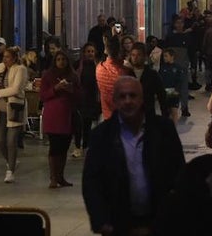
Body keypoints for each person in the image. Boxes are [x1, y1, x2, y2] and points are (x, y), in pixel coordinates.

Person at [82, 76, 185, 235]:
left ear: (142, 98)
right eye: (122, 97)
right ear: (114, 101)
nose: (128, 101)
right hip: (118, 224)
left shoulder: (163, 129)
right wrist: (100, 221)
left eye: (133, 95)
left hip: (159, 223)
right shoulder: (101, 135)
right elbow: (91, 181)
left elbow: (179, 173)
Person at [0, 46, 28, 183]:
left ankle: (10, 170)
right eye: (4, 57)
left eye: (7, 57)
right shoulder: (0, 67)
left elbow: (15, 89)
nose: (5, 59)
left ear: (14, 58)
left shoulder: (20, 70)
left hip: (14, 109)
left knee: (11, 141)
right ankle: (11, 161)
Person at [39, 50, 79, 188]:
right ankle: (53, 177)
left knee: (64, 147)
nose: (61, 62)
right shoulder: (48, 76)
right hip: (53, 116)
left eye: (64, 59)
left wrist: (71, 89)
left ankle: (61, 176)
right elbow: (43, 95)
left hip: (68, 115)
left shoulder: (73, 76)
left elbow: (80, 94)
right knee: (54, 147)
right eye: (59, 59)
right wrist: (56, 88)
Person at [73, 42, 101, 158]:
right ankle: (77, 146)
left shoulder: (98, 65)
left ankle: (86, 146)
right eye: (88, 51)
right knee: (78, 124)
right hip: (80, 98)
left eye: (92, 51)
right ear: (84, 53)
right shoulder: (78, 65)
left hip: (92, 98)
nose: (90, 54)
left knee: (88, 124)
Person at [128, 42, 168, 118]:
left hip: (148, 114)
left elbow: (162, 96)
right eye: (133, 55)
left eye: (138, 55)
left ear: (144, 57)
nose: (135, 58)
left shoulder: (152, 74)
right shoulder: (127, 74)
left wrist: (165, 117)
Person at [95, 37, 132, 120]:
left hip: (108, 116)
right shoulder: (125, 71)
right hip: (125, 116)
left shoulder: (100, 68)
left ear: (106, 50)